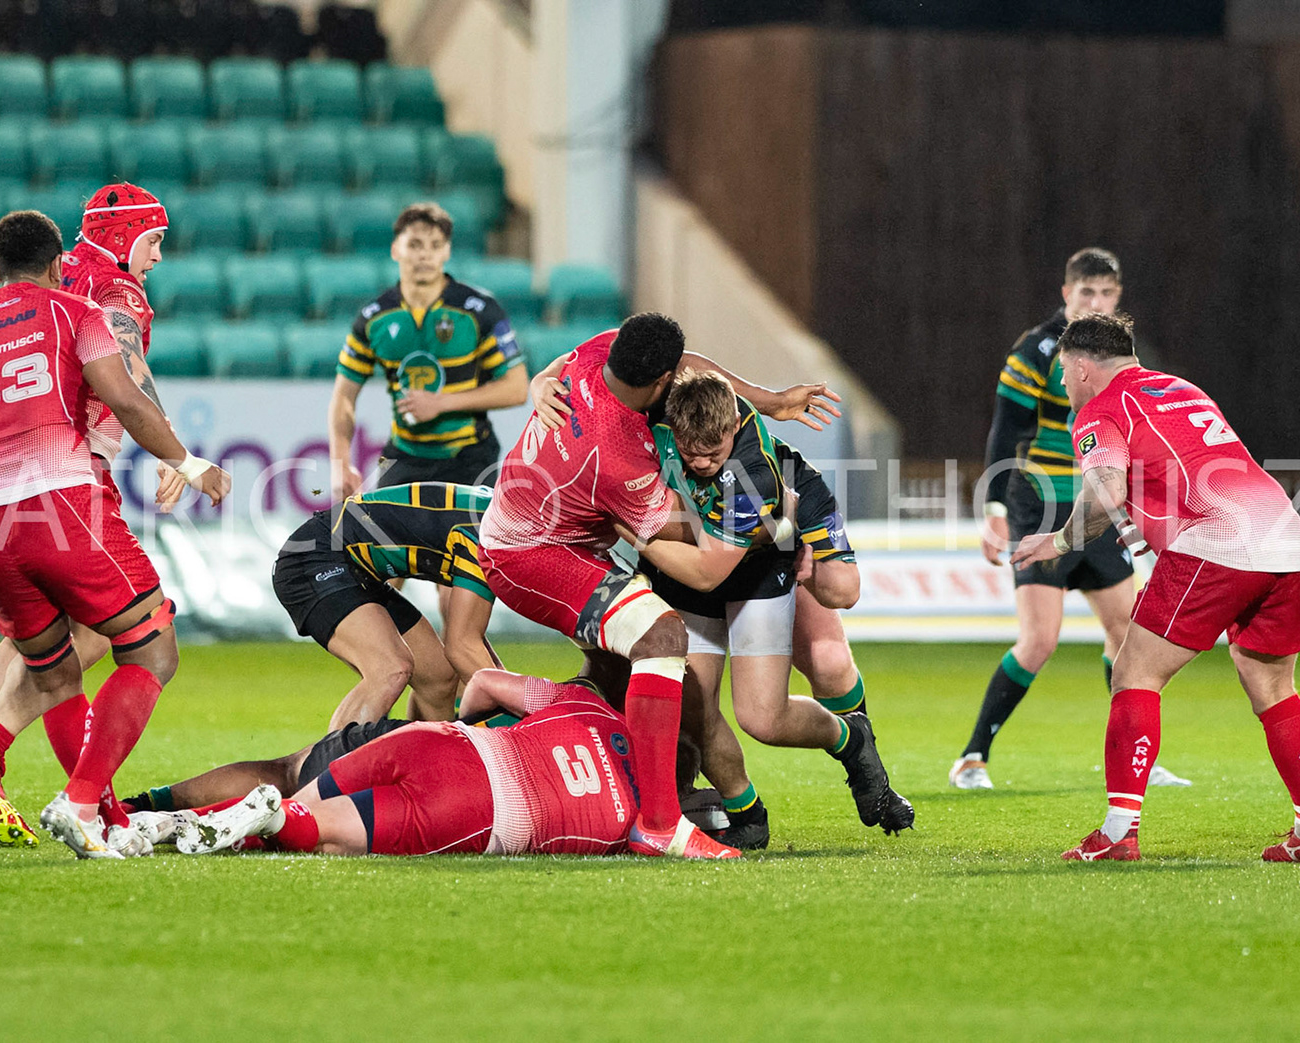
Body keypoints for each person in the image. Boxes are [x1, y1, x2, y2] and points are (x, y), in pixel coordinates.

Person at [479, 314, 840, 858]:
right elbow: (701, 562)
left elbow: (686, 369)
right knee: (662, 638)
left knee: (614, 673)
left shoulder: (597, 358)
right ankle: (660, 824)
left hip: (542, 530)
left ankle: (499, 743)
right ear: (659, 383)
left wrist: (766, 402)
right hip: (535, 557)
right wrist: (774, 529)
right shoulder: (621, 455)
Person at [0, 210, 229, 859]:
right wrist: (189, 462)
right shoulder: (72, 313)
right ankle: (86, 801)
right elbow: (125, 399)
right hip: (62, 503)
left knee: (55, 672)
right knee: (153, 646)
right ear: (60, 263)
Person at [1012, 312, 1300, 863]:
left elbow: (1106, 490)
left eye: (1065, 372)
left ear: (1084, 368)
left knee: (1133, 673)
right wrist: (1142, 518)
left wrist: (1061, 541)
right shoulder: (1181, 387)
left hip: (1215, 542)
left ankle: (1118, 833)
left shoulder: (1100, 408)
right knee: (1273, 686)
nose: (1063, 384)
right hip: (1283, 535)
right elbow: (1186, 463)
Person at [615, 370, 912, 848]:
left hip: (755, 557)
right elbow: (680, 356)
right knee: (693, 707)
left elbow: (708, 571)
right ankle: (746, 813)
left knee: (763, 718)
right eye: (691, 453)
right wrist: (552, 378)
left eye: (713, 453)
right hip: (707, 543)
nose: (701, 462)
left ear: (733, 426)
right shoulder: (668, 408)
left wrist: (636, 534)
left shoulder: (750, 474)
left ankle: (850, 737)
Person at [0, 182, 179, 839]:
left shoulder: (53, 277)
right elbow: (128, 371)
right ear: (125, 237)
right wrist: (175, 451)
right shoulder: (119, 292)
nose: (158, 258)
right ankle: (61, 790)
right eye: (154, 242)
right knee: (120, 635)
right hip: (73, 475)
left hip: (5, 475)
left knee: (32, 641)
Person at [958, 247, 1187, 791]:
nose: (1097, 302)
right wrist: (993, 508)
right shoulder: (1036, 350)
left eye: (1107, 293)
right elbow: (1006, 429)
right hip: (1038, 503)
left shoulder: (1119, 354)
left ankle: (1138, 760)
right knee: (1040, 641)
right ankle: (972, 758)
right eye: (1087, 292)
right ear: (1066, 294)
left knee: (1129, 634)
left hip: (1099, 507)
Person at [160, 669, 659, 858]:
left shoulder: (587, 705)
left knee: (295, 792)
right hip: (479, 808)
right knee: (316, 833)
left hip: (437, 741)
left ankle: (151, 823)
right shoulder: (642, 818)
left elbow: (483, 679)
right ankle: (267, 817)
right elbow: (666, 837)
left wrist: (472, 729)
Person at [328, 203, 526, 497]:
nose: (425, 254)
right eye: (415, 244)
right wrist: (340, 463)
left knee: (470, 543)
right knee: (381, 539)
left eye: (436, 245)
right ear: (396, 249)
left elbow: (517, 388)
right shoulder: (374, 318)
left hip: (470, 458)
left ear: (446, 252)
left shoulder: (479, 311)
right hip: (404, 458)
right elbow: (344, 396)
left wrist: (441, 403)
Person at [270, 481, 500, 728]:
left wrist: (514, 699)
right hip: (313, 558)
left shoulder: (499, 518)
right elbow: (462, 646)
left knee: (438, 676)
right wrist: (517, 710)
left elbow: (470, 640)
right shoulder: (486, 537)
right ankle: (328, 765)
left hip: (358, 568)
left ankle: (419, 763)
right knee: (390, 669)